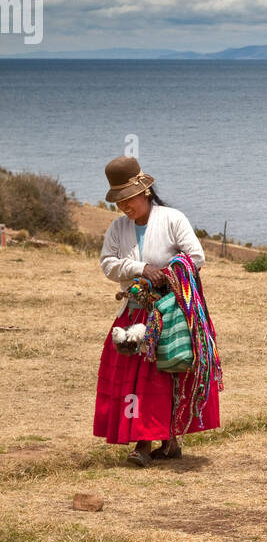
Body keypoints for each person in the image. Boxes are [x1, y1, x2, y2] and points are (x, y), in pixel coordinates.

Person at [93, 157, 222, 464]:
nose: (125, 207)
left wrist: (166, 274)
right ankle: (143, 440)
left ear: (145, 192)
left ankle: (162, 440)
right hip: (134, 311)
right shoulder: (117, 228)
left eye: (129, 199)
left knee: (164, 374)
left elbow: (196, 257)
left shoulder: (172, 219)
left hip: (169, 311)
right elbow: (107, 263)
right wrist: (141, 267)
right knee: (134, 377)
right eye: (119, 201)